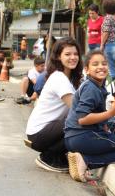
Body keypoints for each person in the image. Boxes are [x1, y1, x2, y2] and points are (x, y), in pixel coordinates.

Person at [64, 50, 115, 182]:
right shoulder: (91, 88)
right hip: (82, 136)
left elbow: (95, 114)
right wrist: (111, 113)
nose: (101, 67)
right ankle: (86, 161)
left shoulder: (97, 85)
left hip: (74, 137)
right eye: (95, 64)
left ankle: (82, 156)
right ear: (87, 69)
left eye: (104, 63)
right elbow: (83, 119)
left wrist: (104, 126)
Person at [25, 37, 83, 172]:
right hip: (39, 133)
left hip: (51, 129)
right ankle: (49, 156)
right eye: (67, 54)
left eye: (75, 54)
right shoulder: (59, 78)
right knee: (80, 122)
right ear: (58, 57)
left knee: (81, 121)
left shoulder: (72, 77)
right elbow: (78, 109)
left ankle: (58, 154)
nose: (73, 57)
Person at [100, 0, 115, 80]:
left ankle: (114, 85)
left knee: (111, 67)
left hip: (109, 45)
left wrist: (102, 44)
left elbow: (106, 32)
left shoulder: (108, 18)